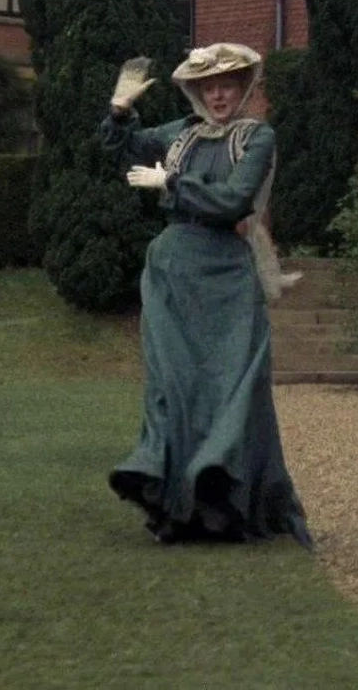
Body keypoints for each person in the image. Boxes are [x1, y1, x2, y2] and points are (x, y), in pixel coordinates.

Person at [101, 43, 312, 547]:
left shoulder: (257, 137)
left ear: (244, 89)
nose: (218, 94)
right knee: (174, 386)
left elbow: (234, 200)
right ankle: (175, 507)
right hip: (174, 269)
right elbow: (124, 148)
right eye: (208, 86)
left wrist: (171, 181)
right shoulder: (181, 133)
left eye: (228, 85)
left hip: (227, 273)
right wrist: (119, 109)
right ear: (197, 91)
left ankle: (228, 508)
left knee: (233, 386)